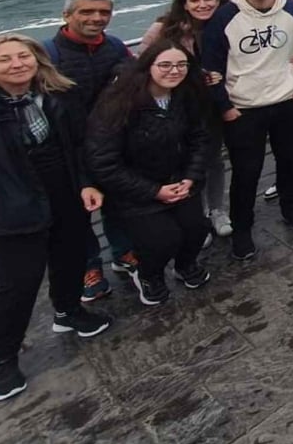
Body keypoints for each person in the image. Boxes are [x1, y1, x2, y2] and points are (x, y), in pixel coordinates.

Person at [0, 35, 111, 402]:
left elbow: (78, 144)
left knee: (71, 258)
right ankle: (0, 359)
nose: (17, 64)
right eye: (5, 59)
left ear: (37, 59)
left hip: (65, 193)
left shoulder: (57, 94)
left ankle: (68, 311)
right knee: (17, 285)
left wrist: (87, 182)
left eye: (23, 56)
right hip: (10, 206)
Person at [201, 0, 293, 260]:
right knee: (247, 172)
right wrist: (225, 106)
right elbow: (211, 67)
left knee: (290, 161)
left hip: (288, 100)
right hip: (243, 108)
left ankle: (291, 207)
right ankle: (242, 229)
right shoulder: (225, 17)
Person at [85, 40, 212, 307]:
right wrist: (154, 191)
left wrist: (190, 177)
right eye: (165, 65)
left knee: (197, 229)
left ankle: (185, 265)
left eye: (181, 65)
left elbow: (200, 139)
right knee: (162, 240)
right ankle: (149, 275)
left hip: (180, 180)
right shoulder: (117, 103)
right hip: (137, 190)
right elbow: (104, 162)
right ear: (147, 65)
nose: (174, 71)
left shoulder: (186, 95)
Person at [46, 0, 135, 305]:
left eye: (103, 12)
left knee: (118, 201)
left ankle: (123, 252)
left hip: (112, 140)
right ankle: (89, 268)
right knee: (75, 213)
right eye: (86, 12)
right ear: (67, 15)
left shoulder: (115, 47)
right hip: (66, 147)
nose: (96, 18)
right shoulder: (47, 55)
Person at [141, 0, 234, 237]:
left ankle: (217, 209)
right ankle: (196, 215)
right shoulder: (164, 29)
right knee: (187, 162)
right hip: (179, 107)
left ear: (218, 0)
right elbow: (142, 65)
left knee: (214, 159)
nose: (202, 5)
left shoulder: (229, 23)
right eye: (195, 0)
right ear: (184, 4)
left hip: (214, 105)